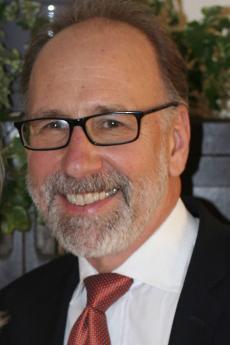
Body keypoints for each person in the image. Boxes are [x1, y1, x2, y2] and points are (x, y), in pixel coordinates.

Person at [0, 0, 230, 344]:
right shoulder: (15, 312)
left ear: (176, 142)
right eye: (52, 124)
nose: (76, 163)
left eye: (111, 123)